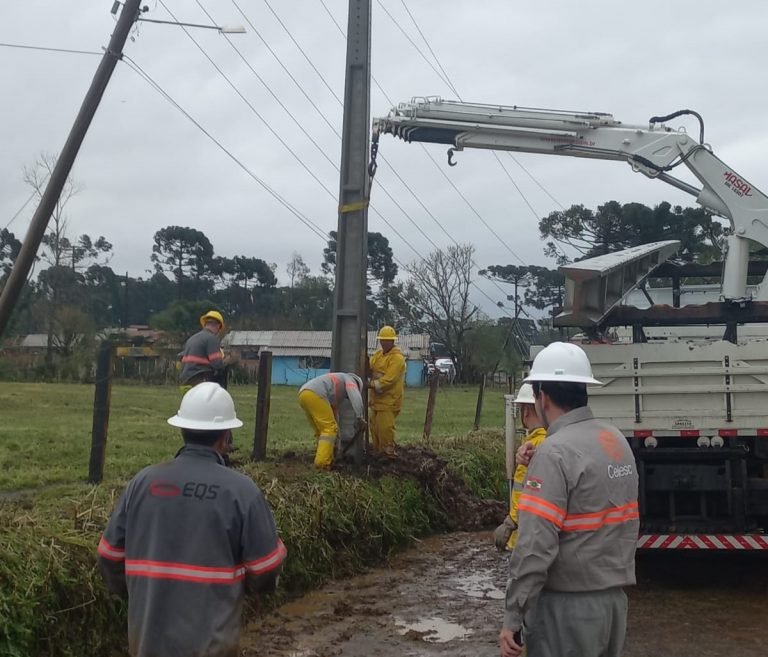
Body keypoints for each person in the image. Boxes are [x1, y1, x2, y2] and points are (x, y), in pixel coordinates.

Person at [97, 383, 286, 657]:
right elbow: (267, 568)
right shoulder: (241, 491)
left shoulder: (141, 483)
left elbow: (109, 555)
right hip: (210, 647)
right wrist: (246, 589)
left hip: (146, 645)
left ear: (182, 430)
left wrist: (141, 592)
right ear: (224, 437)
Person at [499, 342, 639, 657]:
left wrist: (513, 615)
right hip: (612, 604)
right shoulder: (614, 440)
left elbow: (535, 547)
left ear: (542, 397)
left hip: (566, 611)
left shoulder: (554, 453)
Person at [493, 383, 547, 552]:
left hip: (525, 537)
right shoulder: (544, 440)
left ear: (526, 411)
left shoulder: (533, 447)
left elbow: (529, 490)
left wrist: (510, 524)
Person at [298, 372, 367, 469]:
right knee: (329, 429)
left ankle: (325, 456)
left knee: (322, 431)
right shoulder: (350, 380)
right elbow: (355, 396)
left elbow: (335, 422)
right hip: (315, 394)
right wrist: (360, 418)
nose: (347, 398)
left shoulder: (333, 391)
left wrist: (337, 449)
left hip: (304, 394)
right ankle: (322, 464)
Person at [368, 325, 407, 457]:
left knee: (384, 429)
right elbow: (370, 366)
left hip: (389, 400)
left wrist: (370, 384)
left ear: (392, 341)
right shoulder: (378, 355)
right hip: (376, 400)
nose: (384, 343)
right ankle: (377, 453)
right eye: (382, 340)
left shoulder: (397, 359)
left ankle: (387, 455)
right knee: (374, 428)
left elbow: (388, 380)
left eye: (386, 340)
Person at [179, 310, 229, 390]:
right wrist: (227, 360)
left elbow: (181, 357)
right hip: (199, 379)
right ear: (217, 325)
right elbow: (217, 365)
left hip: (185, 380)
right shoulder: (211, 338)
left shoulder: (192, 338)